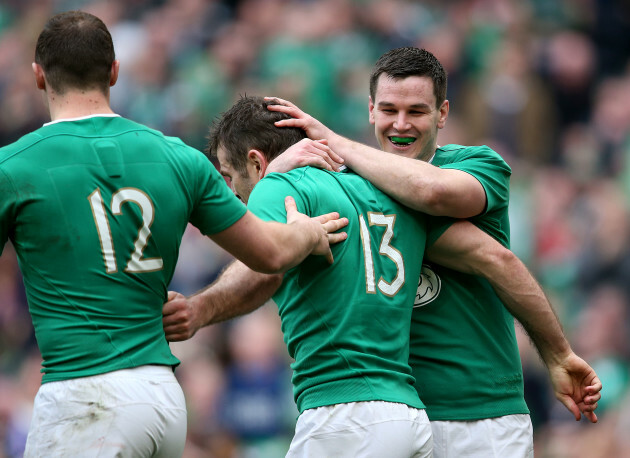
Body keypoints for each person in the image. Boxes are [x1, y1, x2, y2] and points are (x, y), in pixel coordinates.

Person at [162, 96, 600, 456]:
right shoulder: (387, 195)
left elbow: (265, 256)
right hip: (409, 417)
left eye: (227, 177)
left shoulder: (280, 187)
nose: (229, 194)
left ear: (256, 163)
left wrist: (201, 305)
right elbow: (498, 260)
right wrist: (560, 354)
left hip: (342, 412)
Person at [0, 11, 345, 458]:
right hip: (161, 399)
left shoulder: (14, 166)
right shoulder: (177, 157)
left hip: (83, 394)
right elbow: (270, 253)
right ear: (114, 72)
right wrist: (306, 231)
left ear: (39, 77)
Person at [261, 46, 603, 457]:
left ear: (442, 113)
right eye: (388, 110)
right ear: (370, 110)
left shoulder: (477, 164)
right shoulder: (346, 185)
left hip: (484, 415)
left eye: (416, 112)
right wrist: (274, 173)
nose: (400, 124)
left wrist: (558, 355)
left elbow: (437, 195)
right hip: (401, 419)